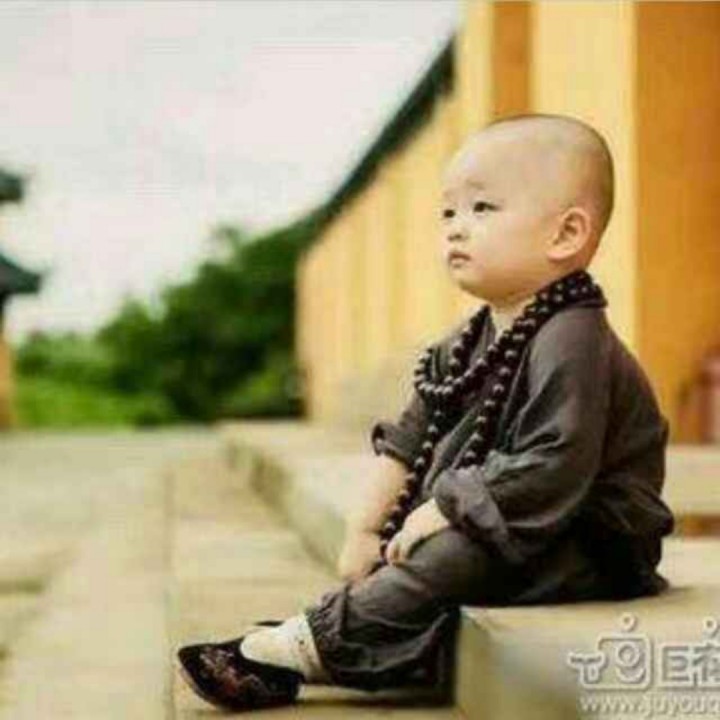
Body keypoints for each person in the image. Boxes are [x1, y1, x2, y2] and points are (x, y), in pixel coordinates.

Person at [176, 113, 675, 712]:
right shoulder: (472, 337)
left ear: (565, 234)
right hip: (509, 518)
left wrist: (445, 507)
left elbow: (555, 463)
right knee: (414, 547)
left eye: (482, 208)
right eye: (448, 212)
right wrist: (366, 529)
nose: (456, 228)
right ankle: (312, 644)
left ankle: (297, 647)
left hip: (588, 541)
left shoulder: (572, 336)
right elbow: (410, 437)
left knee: (452, 553)